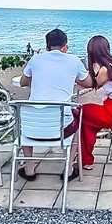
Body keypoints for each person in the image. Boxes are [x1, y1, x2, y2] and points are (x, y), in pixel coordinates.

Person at [17, 28, 90, 181]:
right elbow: (88, 83)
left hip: (32, 127)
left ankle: (29, 168)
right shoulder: (74, 60)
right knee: (77, 123)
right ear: (65, 46)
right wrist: (72, 77)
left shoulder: (36, 59)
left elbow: (23, 83)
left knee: (25, 123)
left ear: (47, 47)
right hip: (61, 128)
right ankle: (68, 169)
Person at [79, 35, 112, 172]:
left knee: (80, 112)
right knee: (87, 123)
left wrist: (74, 77)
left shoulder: (105, 69)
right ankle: (85, 159)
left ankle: (82, 156)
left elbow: (91, 84)